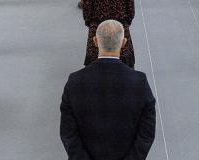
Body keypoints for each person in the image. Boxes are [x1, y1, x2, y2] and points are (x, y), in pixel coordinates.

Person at [60, 20, 156, 158]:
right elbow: (147, 133)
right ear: (124, 43)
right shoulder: (139, 82)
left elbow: (68, 133)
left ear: (95, 41)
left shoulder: (75, 81)